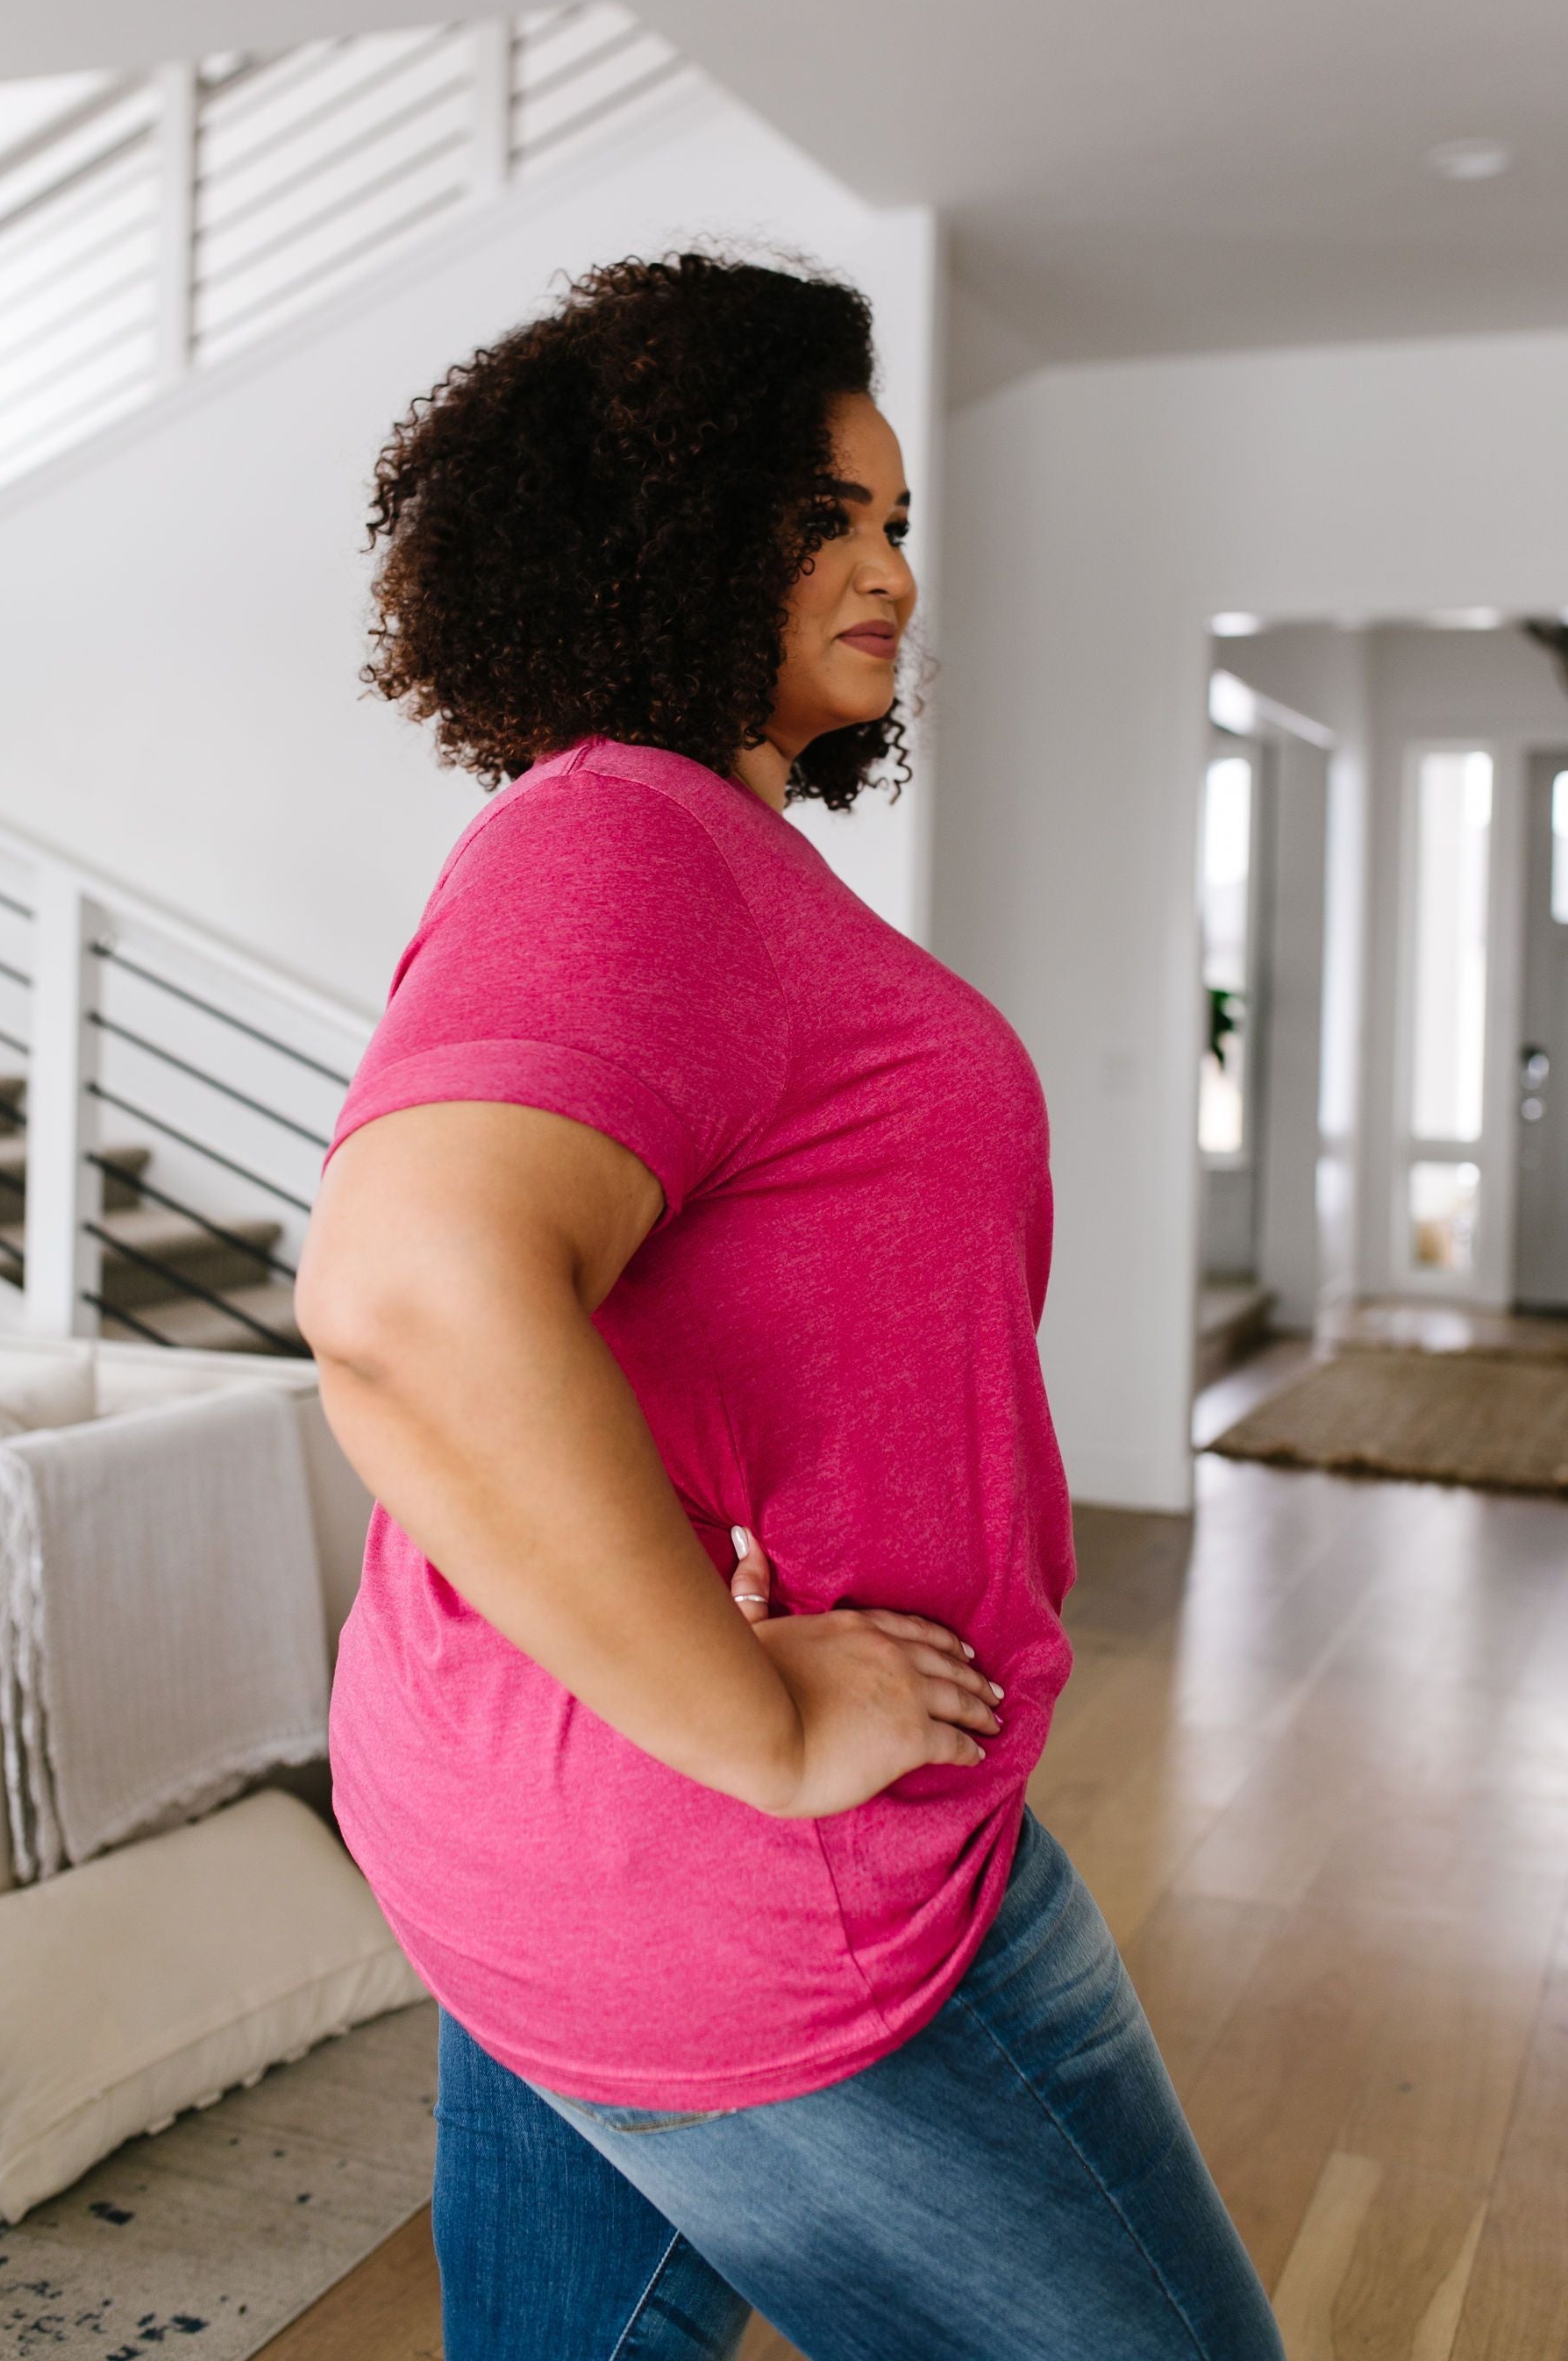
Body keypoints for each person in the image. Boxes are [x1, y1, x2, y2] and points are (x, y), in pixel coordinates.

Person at [296, 253, 1284, 2361]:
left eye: (895, 519)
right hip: (765, 1871)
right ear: (651, 534)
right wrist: (752, 1717)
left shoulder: (689, 859)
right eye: (818, 517)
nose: (888, 570)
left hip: (557, 1833)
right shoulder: (624, 849)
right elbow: (400, 1290)